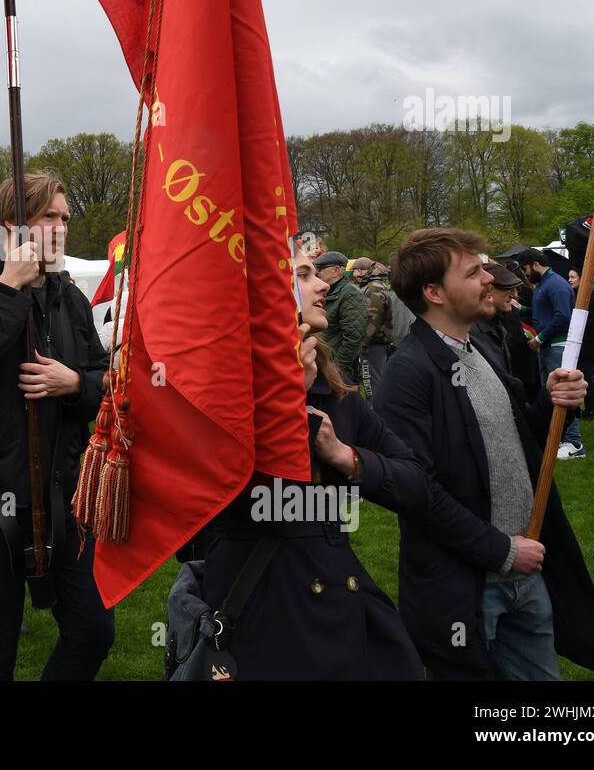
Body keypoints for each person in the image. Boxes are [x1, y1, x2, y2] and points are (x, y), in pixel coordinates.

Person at [176, 248, 428, 679]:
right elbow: (207, 529)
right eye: (305, 274)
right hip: (262, 612)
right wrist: (283, 404)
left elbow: (416, 484)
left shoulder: (336, 392)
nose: (324, 284)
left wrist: (344, 457)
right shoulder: (217, 400)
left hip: (343, 605)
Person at [375, 229, 594, 681]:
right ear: (434, 292)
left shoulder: (477, 346)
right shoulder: (407, 377)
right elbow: (414, 491)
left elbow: (516, 433)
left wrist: (552, 400)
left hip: (525, 573)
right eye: (474, 272)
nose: (491, 279)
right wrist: (500, 550)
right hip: (466, 589)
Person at [0, 172, 113, 681]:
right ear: (14, 224)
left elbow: (105, 384)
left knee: (94, 630)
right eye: (49, 217)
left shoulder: (69, 297)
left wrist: (74, 383)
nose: (61, 228)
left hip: (63, 489)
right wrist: (9, 285)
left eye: (65, 218)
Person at [517, 249, 584, 458]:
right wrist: (519, 308)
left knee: (563, 393)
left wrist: (540, 338)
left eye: (525, 269)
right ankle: (558, 438)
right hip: (548, 348)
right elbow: (540, 313)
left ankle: (574, 442)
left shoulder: (556, 285)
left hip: (558, 346)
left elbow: (563, 316)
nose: (525, 275)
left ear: (536, 265)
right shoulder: (543, 285)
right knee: (551, 395)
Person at [314, 251, 366, 386]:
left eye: (320, 269)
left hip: (336, 369)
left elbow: (353, 337)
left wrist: (336, 369)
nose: (316, 273)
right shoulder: (327, 291)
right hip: (324, 363)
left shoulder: (350, 294)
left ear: (336, 271)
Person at [352, 257, 395, 400]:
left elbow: (372, 319)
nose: (354, 275)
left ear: (360, 271)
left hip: (373, 344)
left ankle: (376, 414)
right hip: (377, 342)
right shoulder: (376, 285)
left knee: (371, 382)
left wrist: (363, 344)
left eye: (355, 271)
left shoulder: (372, 288)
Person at [568, 270, 594, 421]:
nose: (569, 280)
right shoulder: (576, 294)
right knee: (583, 376)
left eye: (572, 277)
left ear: (582, 278)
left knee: (588, 377)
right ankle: (589, 410)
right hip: (581, 342)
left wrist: (577, 322)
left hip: (591, 343)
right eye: (569, 277)